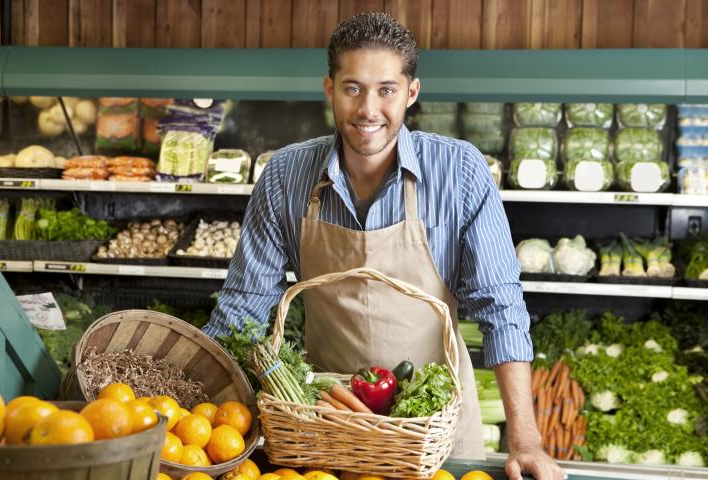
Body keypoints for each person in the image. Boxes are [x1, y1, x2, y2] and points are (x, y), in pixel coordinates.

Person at [205, 12, 564, 480]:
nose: (368, 109)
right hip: (327, 424)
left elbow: (501, 308)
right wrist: (192, 403)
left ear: (411, 93)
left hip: (431, 429)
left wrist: (525, 440)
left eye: (386, 90)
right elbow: (243, 310)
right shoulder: (286, 177)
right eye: (353, 87)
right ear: (329, 88)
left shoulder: (459, 172)